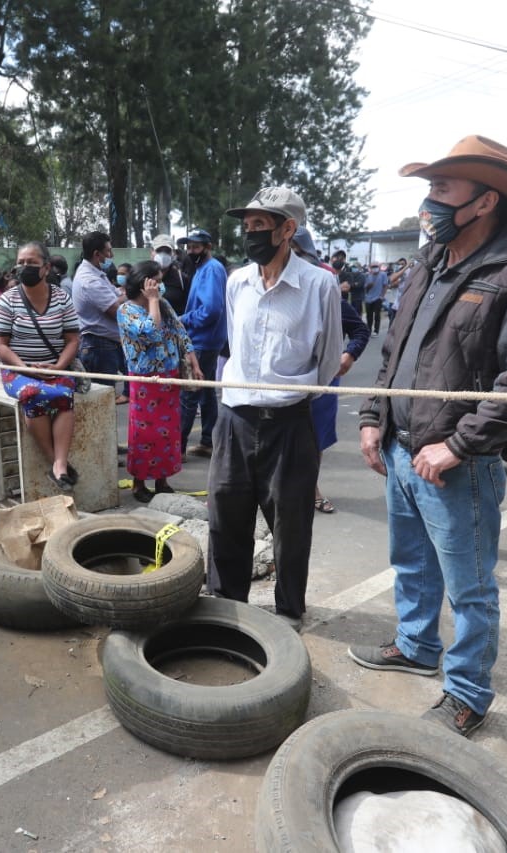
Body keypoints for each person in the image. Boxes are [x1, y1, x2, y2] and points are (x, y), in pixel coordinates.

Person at [352, 136, 507, 736]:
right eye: (428, 189)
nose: (429, 202)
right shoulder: (428, 262)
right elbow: (394, 351)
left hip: (456, 462)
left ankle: (468, 690)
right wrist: (374, 417)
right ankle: (416, 645)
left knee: (469, 586)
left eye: (442, 190)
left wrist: (460, 444)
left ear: (485, 200)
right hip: (400, 447)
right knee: (410, 563)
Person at [209, 187, 342, 631]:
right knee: (227, 517)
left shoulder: (319, 285)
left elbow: (326, 362)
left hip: (289, 423)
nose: (250, 236)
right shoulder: (236, 282)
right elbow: (235, 347)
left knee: (290, 525)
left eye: (260, 226)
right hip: (235, 419)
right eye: (246, 227)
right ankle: (228, 607)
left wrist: (290, 392)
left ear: (288, 230)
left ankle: (288, 612)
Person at [0, 241, 81, 491]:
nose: (25, 267)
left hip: (55, 368)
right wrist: (26, 368)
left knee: (64, 395)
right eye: (21, 263)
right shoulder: (7, 301)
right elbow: (0, 346)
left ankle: (59, 464)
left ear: (46, 267)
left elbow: (73, 339)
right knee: (33, 394)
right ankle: (57, 464)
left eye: (31, 263)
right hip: (17, 371)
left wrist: (58, 368)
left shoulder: (62, 298)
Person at [292, 227, 370, 515]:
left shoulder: (328, 294)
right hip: (284, 382)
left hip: (322, 381)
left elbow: (360, 330)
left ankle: (311, 488)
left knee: (314, 439)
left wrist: (348, 355)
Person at [117, 261, 202, 503]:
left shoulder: (163, 305)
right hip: (145, 383)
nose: (160, 286)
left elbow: (181, 333)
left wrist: (194, 363)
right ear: (144, 283)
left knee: (168, 434)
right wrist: (153, 301)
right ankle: (139, 483)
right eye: (156, 280)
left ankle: (162, 481)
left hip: (169, 379)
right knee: (144, 434)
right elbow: (150, 333)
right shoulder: (126, 311)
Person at [177, 228, 227, 457]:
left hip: (202, 341)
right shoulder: (202, 269)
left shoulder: (212, 270)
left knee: (189, 394)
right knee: (205, 393)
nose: (191, 251)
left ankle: (178, 448)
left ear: (208, 247)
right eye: (189, 247)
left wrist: (183, 320)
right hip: (205, 340)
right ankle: (207, 440)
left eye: (196, 247)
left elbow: (211, 310)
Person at [72, 230, 126, 399]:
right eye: (108, 251)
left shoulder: (97, 274)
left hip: (106, 344)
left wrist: (124, 296)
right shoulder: (90, 280)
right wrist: (132, 295)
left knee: (104, 399)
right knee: (100, 400)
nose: (112, 255)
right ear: (97, 254)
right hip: (98, 347)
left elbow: (117, 296)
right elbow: (116, 310)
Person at [150, 234, 188, 315]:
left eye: (167, 251)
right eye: (159, 250)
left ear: (173, 253)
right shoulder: (143, 276)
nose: (163, 254)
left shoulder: (182, 279)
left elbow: (187, 305)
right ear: (152, 252)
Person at [363, 262, 388, 336]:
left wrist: (382, 296)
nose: (374, 268)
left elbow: (385, 285)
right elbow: (365, 288)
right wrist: (368, 285)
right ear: (370, 268)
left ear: (379, 267)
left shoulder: (383, 274)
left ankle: (376, 331)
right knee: (369, 315)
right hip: (368, 298)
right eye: (373, 267)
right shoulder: (368, 275)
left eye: (376, 266)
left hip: (378, 297)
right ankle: (369, 330)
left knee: (377, 314)